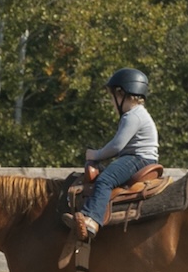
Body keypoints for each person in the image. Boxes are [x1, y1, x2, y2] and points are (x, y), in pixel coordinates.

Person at [68, 68, 159, 240]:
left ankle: (91, 220)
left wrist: (95, 155)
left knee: (105, 180)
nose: (111, 102)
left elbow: (116, 146)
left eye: (112, 97)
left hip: (137, 159)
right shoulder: (139, 114)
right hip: (142, 158)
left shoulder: (133, 116)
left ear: (121, 93)